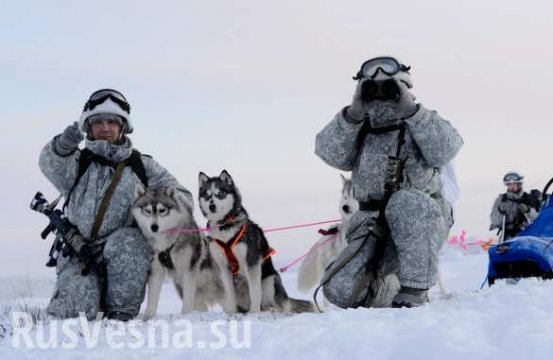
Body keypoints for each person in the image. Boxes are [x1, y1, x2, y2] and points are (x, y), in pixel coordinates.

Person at [315, 56, 463, 308]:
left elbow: (445, 149)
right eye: (374, 88)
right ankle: (390, 288)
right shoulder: (360, 128)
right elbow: (329, 152)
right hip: (372, 223)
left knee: (404, 202)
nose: (382, 94)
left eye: (390, 87)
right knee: (338, 289)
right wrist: (353, 113)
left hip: (421, 218)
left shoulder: (422, 122)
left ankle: (414, 290)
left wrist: (411, 111)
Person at [39, 89, 193, 321]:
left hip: (124, 251)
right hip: (78, 252)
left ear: (123, 127)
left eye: (112, 121)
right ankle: (89, 295)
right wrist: (62, 147)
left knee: (130, 241)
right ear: (88, 127)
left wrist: (158, 214)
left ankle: (120, 315)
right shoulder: (77, 163)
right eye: (98, 121)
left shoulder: (143, 167)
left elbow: (184, 199)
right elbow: (51, 164)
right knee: (74, 315)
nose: (105, 127)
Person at [489, 171, 542, 241]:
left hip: (526, 234)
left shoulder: (528, 198)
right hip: (507, 236)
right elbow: (494, 220)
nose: (512, 186)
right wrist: (501, 214)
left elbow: (538, 219)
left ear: (519, 184)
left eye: (514, 183)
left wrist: (528, 210)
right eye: (509, 184)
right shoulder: (501, 200)